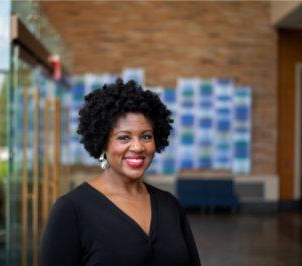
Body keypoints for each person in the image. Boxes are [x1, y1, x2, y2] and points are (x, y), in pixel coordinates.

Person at [40, 79, 201, 266]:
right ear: (102, 143)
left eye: (146, 136)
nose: (138, 146)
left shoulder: (170, 206)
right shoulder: (71, 209)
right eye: (124, 137)